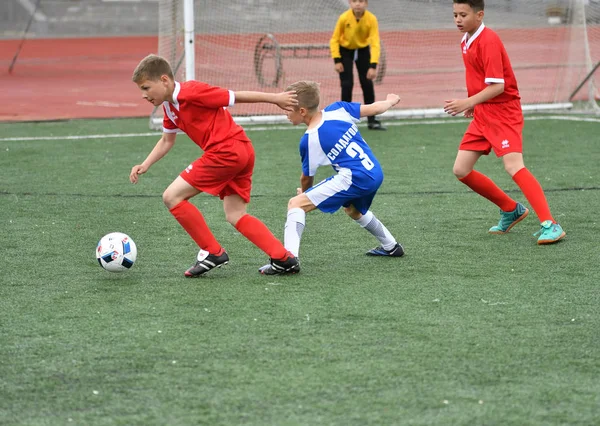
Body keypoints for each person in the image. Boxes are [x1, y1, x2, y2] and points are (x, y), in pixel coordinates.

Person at [130, 54, 300, 277]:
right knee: (235, 214)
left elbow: (235, 97)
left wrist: (275, 98)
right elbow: (166, 140)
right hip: (241, 150)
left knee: (172, 197)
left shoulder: (192, 91)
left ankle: (213, 252)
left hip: (226, 151)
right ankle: (283, 258)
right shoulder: (169, 108)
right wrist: (145, 164)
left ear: (164, 80)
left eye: (146, 88)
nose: (144, 95)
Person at [444, 0, 565, 245]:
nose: (458, 19)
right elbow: (479, 78)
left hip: (503, 112)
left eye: (463, 14)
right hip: (484, 113)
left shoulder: (488, 40)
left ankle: (551, 224)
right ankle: (511, 209)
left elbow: (498, 86)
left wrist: (467, 102)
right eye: (455, 14)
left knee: (513, 166)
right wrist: (476, 104)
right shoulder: (466, 40)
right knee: (461, 169)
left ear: (480, 15)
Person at [259, 80, 404, 276]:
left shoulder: (310, 138)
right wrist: (390, 100)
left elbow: (306, 177)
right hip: (374, 172)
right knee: (353, 209)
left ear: (302, 111)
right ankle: (391, 246)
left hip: (354, 177)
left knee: (296, 204)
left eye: (287, 108)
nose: (285, 113)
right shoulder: (338, 109)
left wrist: (305, 194)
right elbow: (375, 108)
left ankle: (288, 260)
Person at [330, 0, 386, 131]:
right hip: (345, 51)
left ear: (366, 3)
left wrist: (373, 65)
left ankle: (372, 120)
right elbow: (334, 39)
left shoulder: (371, 19)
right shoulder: (344, 18)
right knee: (347, 84)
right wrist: (337, 60)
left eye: (361, 1)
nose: (358, 4)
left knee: (367, 84)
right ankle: (345, 120)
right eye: (354, 1)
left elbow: (375, 42)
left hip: (362, 51)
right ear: (350, 3)